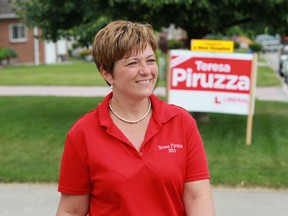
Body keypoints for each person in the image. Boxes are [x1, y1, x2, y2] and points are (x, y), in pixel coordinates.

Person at [56, 20, 215, 216]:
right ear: (107, 73)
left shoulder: (181, 122)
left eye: (150, 60)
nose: (146, 71)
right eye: (133, 63)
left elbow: (197, 197)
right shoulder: (83, 133)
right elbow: (71, 211)